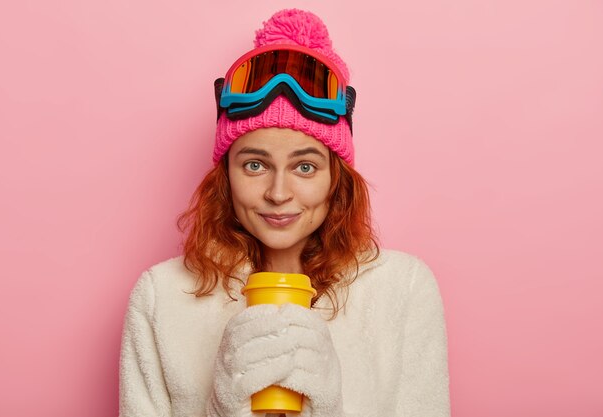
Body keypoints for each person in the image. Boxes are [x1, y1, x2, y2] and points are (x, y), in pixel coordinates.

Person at [119, 9, 450, 417]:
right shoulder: (162, 297)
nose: (278, 193)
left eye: (305, 167)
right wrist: (223, 405)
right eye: (254, 165)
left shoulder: (402, 290)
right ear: (226, 174)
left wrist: (327, 404)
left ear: (336, 179)